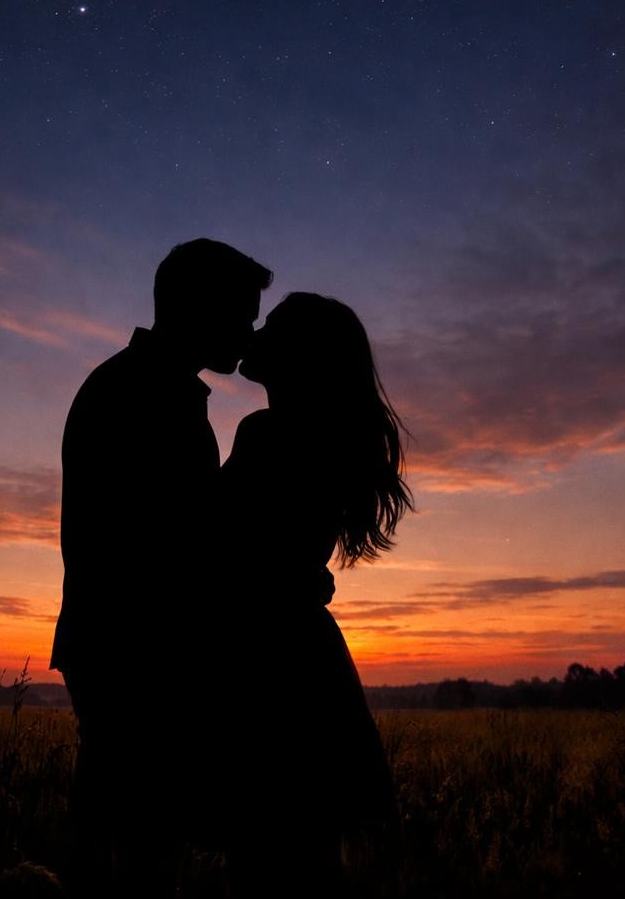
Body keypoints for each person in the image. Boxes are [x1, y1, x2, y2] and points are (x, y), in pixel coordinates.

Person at [49, 238, 272, 897]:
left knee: (134, 842)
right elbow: (174, 544)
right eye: (243, 314)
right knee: (140, 850)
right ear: (200, 308)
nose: (250, 330)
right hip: (135, 654)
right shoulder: (144, 395)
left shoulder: (145, 387)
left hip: (125, 649)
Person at [219, 291, 415, 898]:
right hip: (304, 654)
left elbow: (215, 541)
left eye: (272, 325)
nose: (255, 330)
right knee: (304, 856)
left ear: (298, 354)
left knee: (270, 854)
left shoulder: (270, 435)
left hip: (268, 658)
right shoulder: (320, 438)